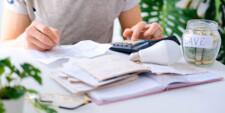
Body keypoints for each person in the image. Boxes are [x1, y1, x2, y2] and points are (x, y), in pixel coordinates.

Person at [0, 0, 163, 51]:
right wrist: (23, 43)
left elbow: (136, 36)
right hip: (44, 79)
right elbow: (5, 46)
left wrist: (142, 39)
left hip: (102, 79)